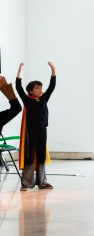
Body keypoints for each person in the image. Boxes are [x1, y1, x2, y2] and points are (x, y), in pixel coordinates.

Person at [16, 62, 56, 191]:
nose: (40, 89)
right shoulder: (27, 100)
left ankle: (42, 182)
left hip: (42, 131)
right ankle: (26, 183)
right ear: (31, 91)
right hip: (31, 131)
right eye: (37, 88)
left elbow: (52, 86)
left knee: (41, 156)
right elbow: (18, 88)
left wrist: (53, 70)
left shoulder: (44, 99)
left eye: (40, 87)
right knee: (29, 156)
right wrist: (19, 72)